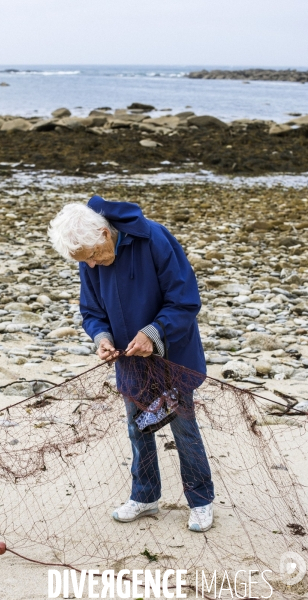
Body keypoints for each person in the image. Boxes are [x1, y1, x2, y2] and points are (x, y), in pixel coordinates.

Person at [48, 195, 214, 532]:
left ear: (106, 235)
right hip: (129, 361)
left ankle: (200, 501)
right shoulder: (89, 255)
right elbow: (91, 312)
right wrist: (102, 338)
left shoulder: (154, 238)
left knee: (184, 429)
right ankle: (145, 496)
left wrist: (153, 333)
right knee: (138, 428)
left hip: (173, 357)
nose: (91, 265)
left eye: (93, 256)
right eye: (84, 261)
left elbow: (185, 301)